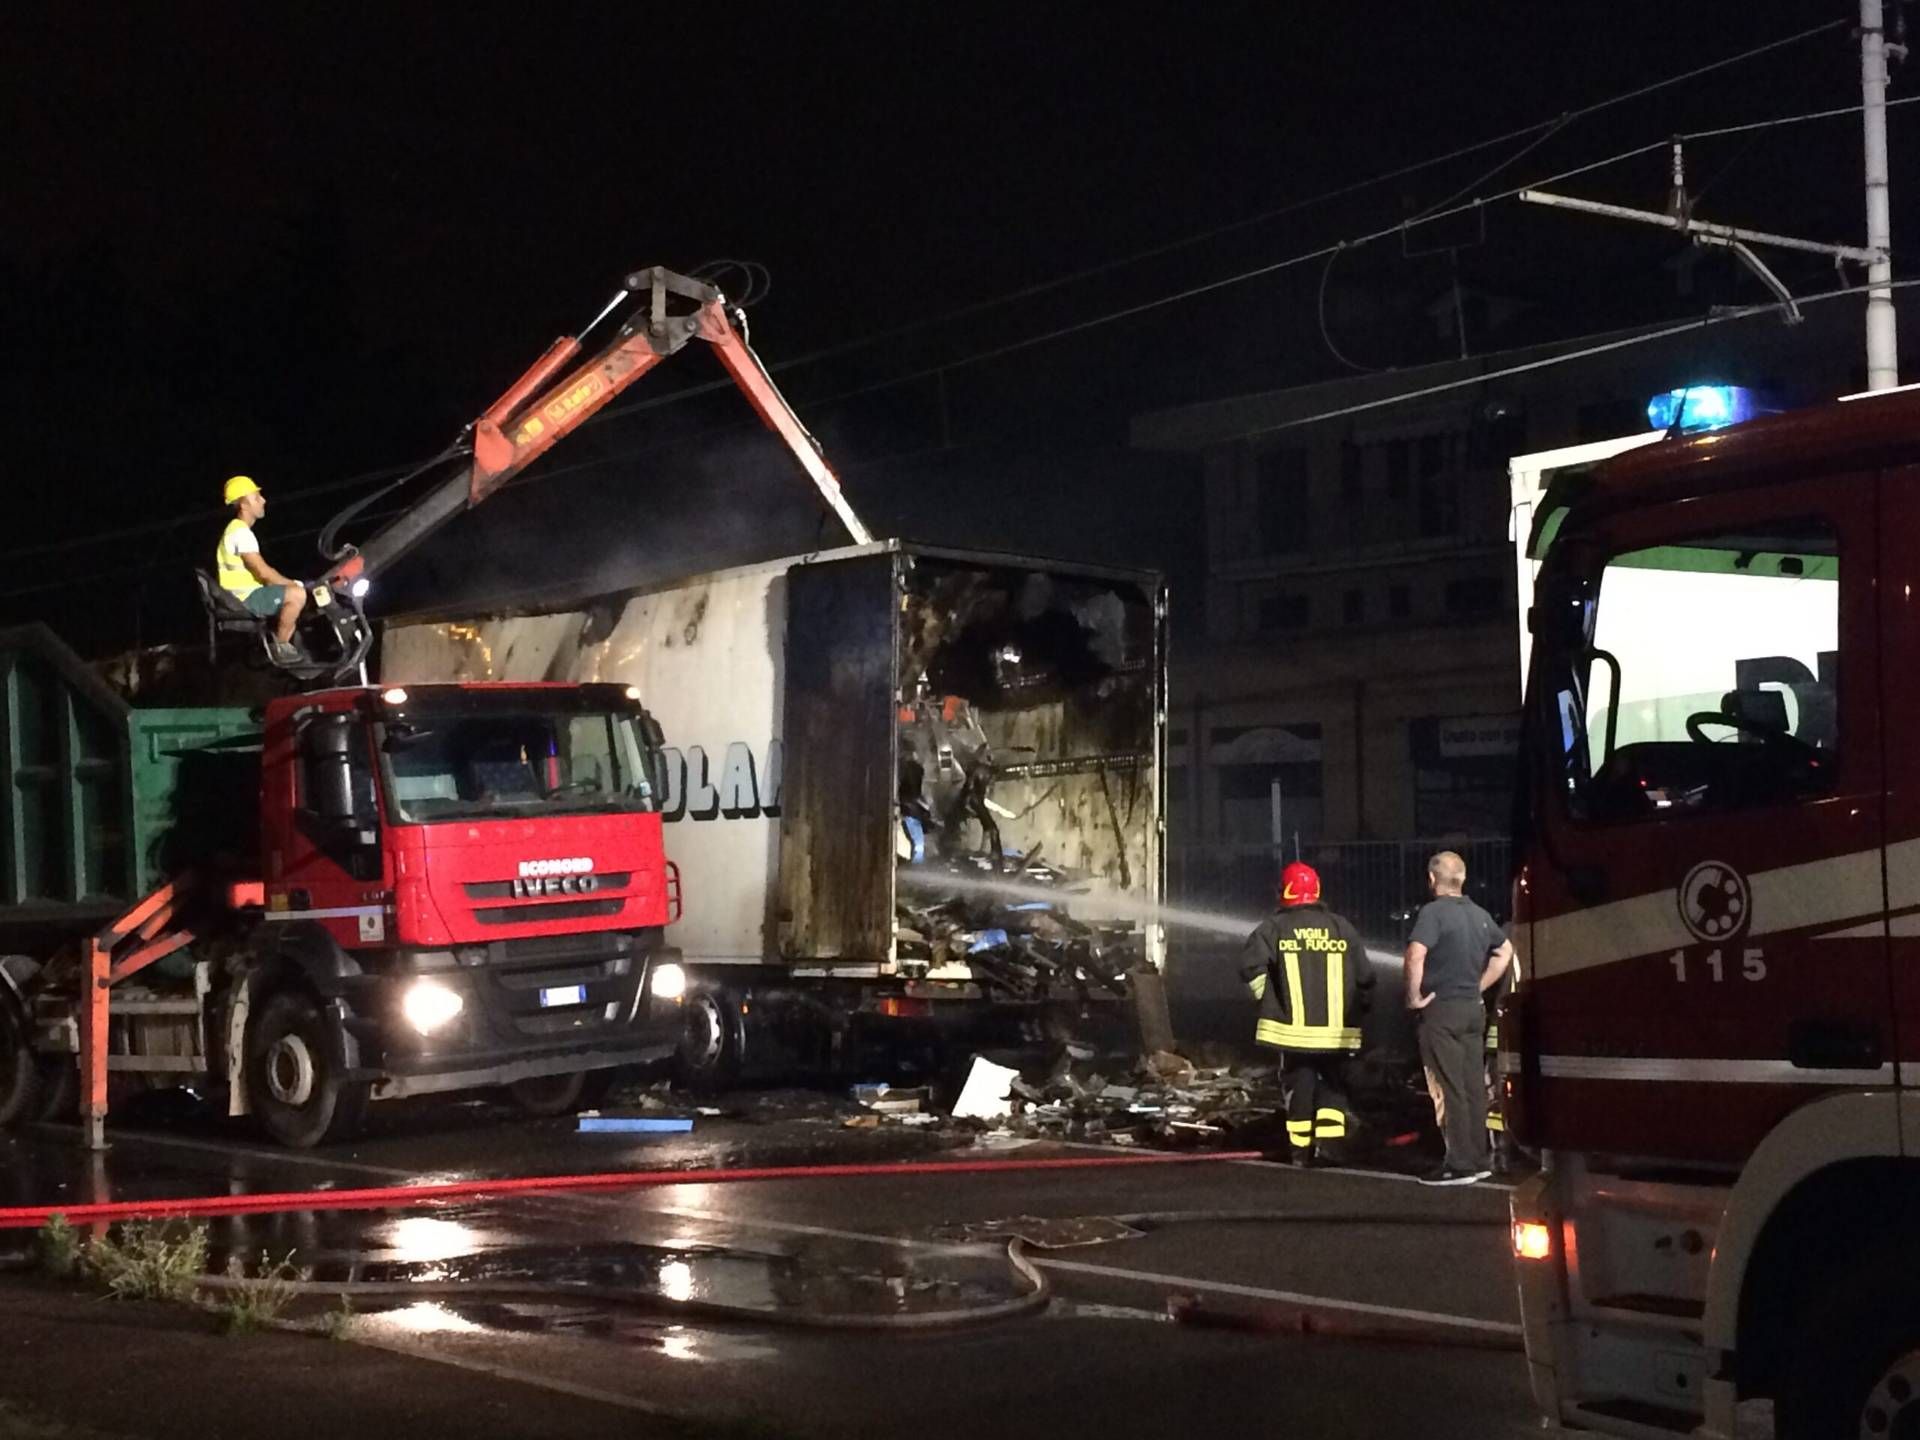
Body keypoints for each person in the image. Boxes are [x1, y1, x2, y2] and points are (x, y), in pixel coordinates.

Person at [1238, 861, 1372, 1166]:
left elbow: (1249, 967)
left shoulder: (1274, 927)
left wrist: (1268, 1001)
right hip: (1338, 1033)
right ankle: (1330, 1149)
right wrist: (1359, 1011)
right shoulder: (1342, 927)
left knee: (1300, 1085)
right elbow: (1366, 978)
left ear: (1285, 891)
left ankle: (1300, 1153)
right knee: (1335, 1086)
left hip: (1293, 1032)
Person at [1404, 850, 1513, 1186]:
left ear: (1433, 879)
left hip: (1442, 1010)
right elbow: (1505, 951)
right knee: (1472, 1087)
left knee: (1448, 1087)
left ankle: (1458, 1164)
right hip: (1472, 1009)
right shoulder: (1479, 914)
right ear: (1462, 879)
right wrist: (1478, 985)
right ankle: (1479, 1159)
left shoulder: (1433, 913)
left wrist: (1413, 996)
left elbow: (1415, 954)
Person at [215, 475, 306, 664]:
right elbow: (263, 572)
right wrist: (294, 585)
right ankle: (281, 647)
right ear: (244, 504)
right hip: (245, 599)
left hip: (243, 596)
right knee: (297, 595)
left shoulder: (236, 531)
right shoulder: (240, 533)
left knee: (295, 592)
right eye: (256, 497)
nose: (263, 500)